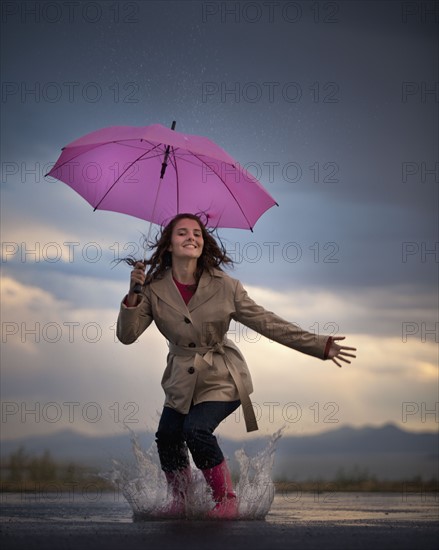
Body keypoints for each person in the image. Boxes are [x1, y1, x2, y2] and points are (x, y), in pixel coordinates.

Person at [116, 213, 356, 519]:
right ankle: (182, 500)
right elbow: (127, 336)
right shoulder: (153, 288)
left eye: (197, 234)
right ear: (168, 245)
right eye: (182, 233)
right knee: (167, 436)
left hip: (221, 377)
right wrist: (135, 292)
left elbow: (267, 322)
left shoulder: (226, 286)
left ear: (204, 244)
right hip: (180, 380)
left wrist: (318, 345)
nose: (192, 237)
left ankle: (226, 498)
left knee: (196, 430)